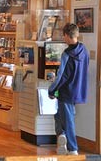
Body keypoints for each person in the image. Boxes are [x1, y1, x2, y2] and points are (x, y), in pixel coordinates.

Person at [48, 23, 89, 156]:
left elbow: (61, 77)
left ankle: (73, 149)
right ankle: (62, 135)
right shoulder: (84, 50)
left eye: (63, 35)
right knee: (59, 116)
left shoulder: (67, 54)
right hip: (79, 90)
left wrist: (52, 90)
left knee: (68, 120)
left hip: (66, 91)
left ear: (66, 35)